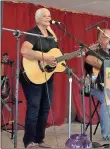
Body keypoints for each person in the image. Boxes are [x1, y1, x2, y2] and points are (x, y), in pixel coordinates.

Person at [20, 8, 58, 148]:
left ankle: (39, 139)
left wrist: (77, 54)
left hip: (47, 76)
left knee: (45, 108)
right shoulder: (33, 33)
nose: (49, 18)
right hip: (31, 75)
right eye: (45, 16)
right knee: (34, 107)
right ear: (37, 19)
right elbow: (24, 50)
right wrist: (46, 57)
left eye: (49, 16)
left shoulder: (51, 36)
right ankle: (29, 141)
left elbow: (55, 56)